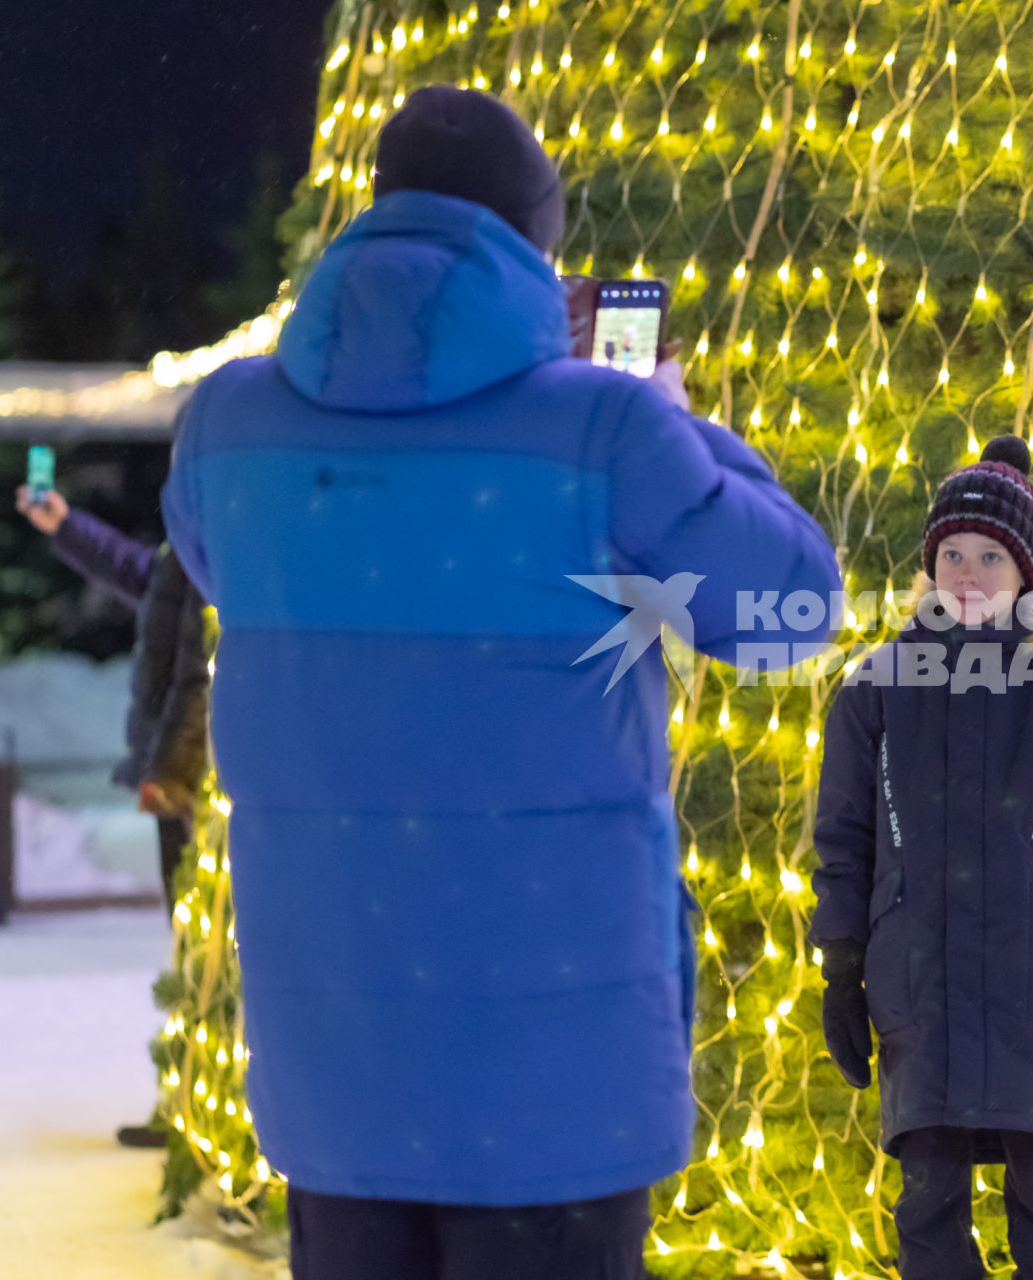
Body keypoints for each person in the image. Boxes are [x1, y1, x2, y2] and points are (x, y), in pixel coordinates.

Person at [162, 86, 841, 1279]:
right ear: (536, 243)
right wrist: (676, 420)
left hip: (337, 1066)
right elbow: (791, 610)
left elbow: (225, 571)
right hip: (556, 1083)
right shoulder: (602, 429)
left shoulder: (228, 426)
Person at [810, 436, 1033, 1280]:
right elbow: (844, 839)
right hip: (917, 992)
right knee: (926, 1208)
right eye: (952, 555)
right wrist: (841, 971)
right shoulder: (878, 685)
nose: (967, 574)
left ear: (1026, 572)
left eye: (990, 556)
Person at [17, 483, 210, 1150]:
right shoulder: (187, 548)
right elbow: (140, 576)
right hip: (185, 782)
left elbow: (199, 676)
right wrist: (68, 526)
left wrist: (169, 773)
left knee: (207, 955)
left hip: (198, 788)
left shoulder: (215, 545)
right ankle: (191, 1100)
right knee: (193, 952)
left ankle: (202, 1109)